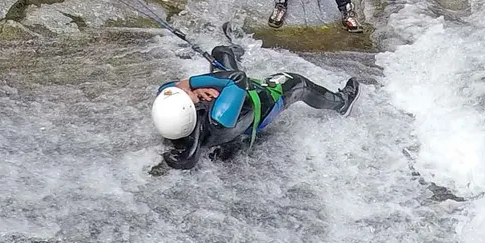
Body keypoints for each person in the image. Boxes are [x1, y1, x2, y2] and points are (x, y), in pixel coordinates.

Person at [151, 45, 358, 170]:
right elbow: (237, 79)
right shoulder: (217, 119)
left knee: (220, 52)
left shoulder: (177, 123)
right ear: (190, 109)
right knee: (299, 83)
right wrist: (191, 83)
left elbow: (164, 89)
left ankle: (236, 50)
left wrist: (189, 91)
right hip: (262, 103)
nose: (185, 92)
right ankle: (341, 103)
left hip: (232, 101)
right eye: (186, 96)